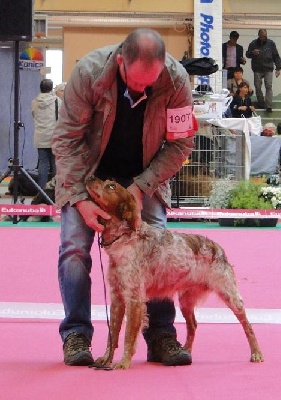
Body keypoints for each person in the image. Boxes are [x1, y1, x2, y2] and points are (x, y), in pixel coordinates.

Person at [52, 28, 195, 367]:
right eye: (136, 83)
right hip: (88, 178)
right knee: (74, 248)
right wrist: (80, 199)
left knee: (158, 251)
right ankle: (76, 334)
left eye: (151, 82)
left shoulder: (176, 82)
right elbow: (66, 141)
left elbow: (180, 145)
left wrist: (142, 186)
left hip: (146, 177)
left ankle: (161, 334)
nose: (144, 90)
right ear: (120, 61)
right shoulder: (88, 73)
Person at [31, 79, 61, 189]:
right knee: (55, 165)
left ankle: (42, 191)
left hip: (40, 137)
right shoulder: (57, 101)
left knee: (43, 164)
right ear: (51, 88)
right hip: (54, 137)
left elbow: (34, 116)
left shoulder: (34, 102)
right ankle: (55, 190)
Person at [246, 29, 281, 113]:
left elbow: (276, 56)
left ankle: (268, 106)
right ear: (259, 35)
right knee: (257, 87)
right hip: (257, 68)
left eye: (265, 36)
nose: (263, 38)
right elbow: (247, 54)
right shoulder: (253, 43)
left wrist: (278, 68)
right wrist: (252, 53)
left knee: (268, 86)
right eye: (262, 36)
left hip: (268, 68)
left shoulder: (271, 43)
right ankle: (261, 103)